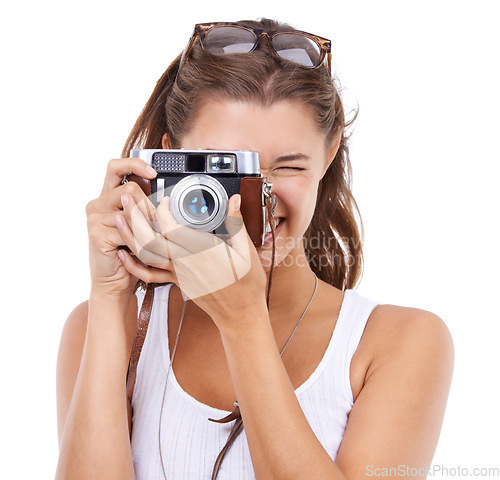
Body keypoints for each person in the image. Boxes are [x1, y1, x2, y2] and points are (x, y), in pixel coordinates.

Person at [55, 18, 454, 480]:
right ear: (171, 160)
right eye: (225, 167)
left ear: (328, 156)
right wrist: (109, 294)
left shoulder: (400, 342)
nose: (255, 197)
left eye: (288, 167)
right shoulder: (102, 325)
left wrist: (242, 318)